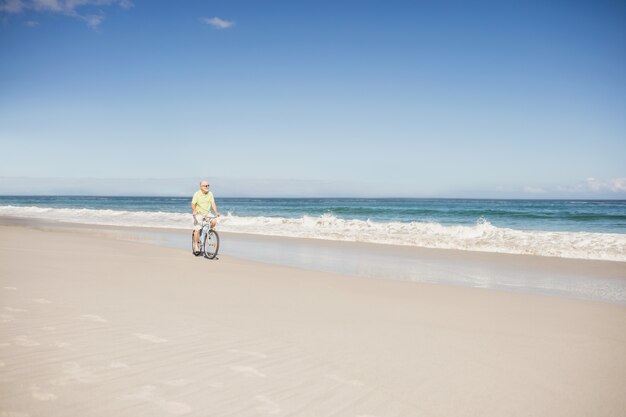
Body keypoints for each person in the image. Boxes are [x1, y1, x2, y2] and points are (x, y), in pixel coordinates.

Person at [191, 180, 220, 255]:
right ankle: (196, 245)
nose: (207, 187)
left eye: (208, 185)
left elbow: (213, 203)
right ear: (201, 187)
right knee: (197, 228)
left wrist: (216, 212)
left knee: (214, 221)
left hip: (207, 213)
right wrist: (194, 210)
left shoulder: (210, 194)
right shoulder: (197, 194)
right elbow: (193, 204)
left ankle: (209, 232)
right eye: (205, 186)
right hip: (199, 213)